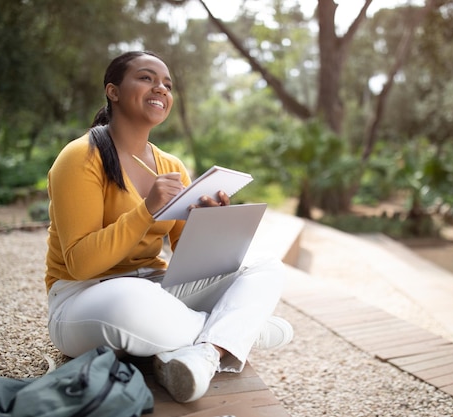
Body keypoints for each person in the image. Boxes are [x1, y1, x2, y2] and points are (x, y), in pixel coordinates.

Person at [44, 51, 293, 403]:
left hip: (156, 288)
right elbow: (80, 264)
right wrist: (146, 210)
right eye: (146, 78)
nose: (160, 88)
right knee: (132, 301)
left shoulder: (170, 165)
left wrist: (207, 223)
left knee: (266, 265)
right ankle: (238, 332)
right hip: (84, 297)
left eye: (167, 84)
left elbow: (189, 262)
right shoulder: (81, 157)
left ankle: (205, 355)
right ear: (113, 91)